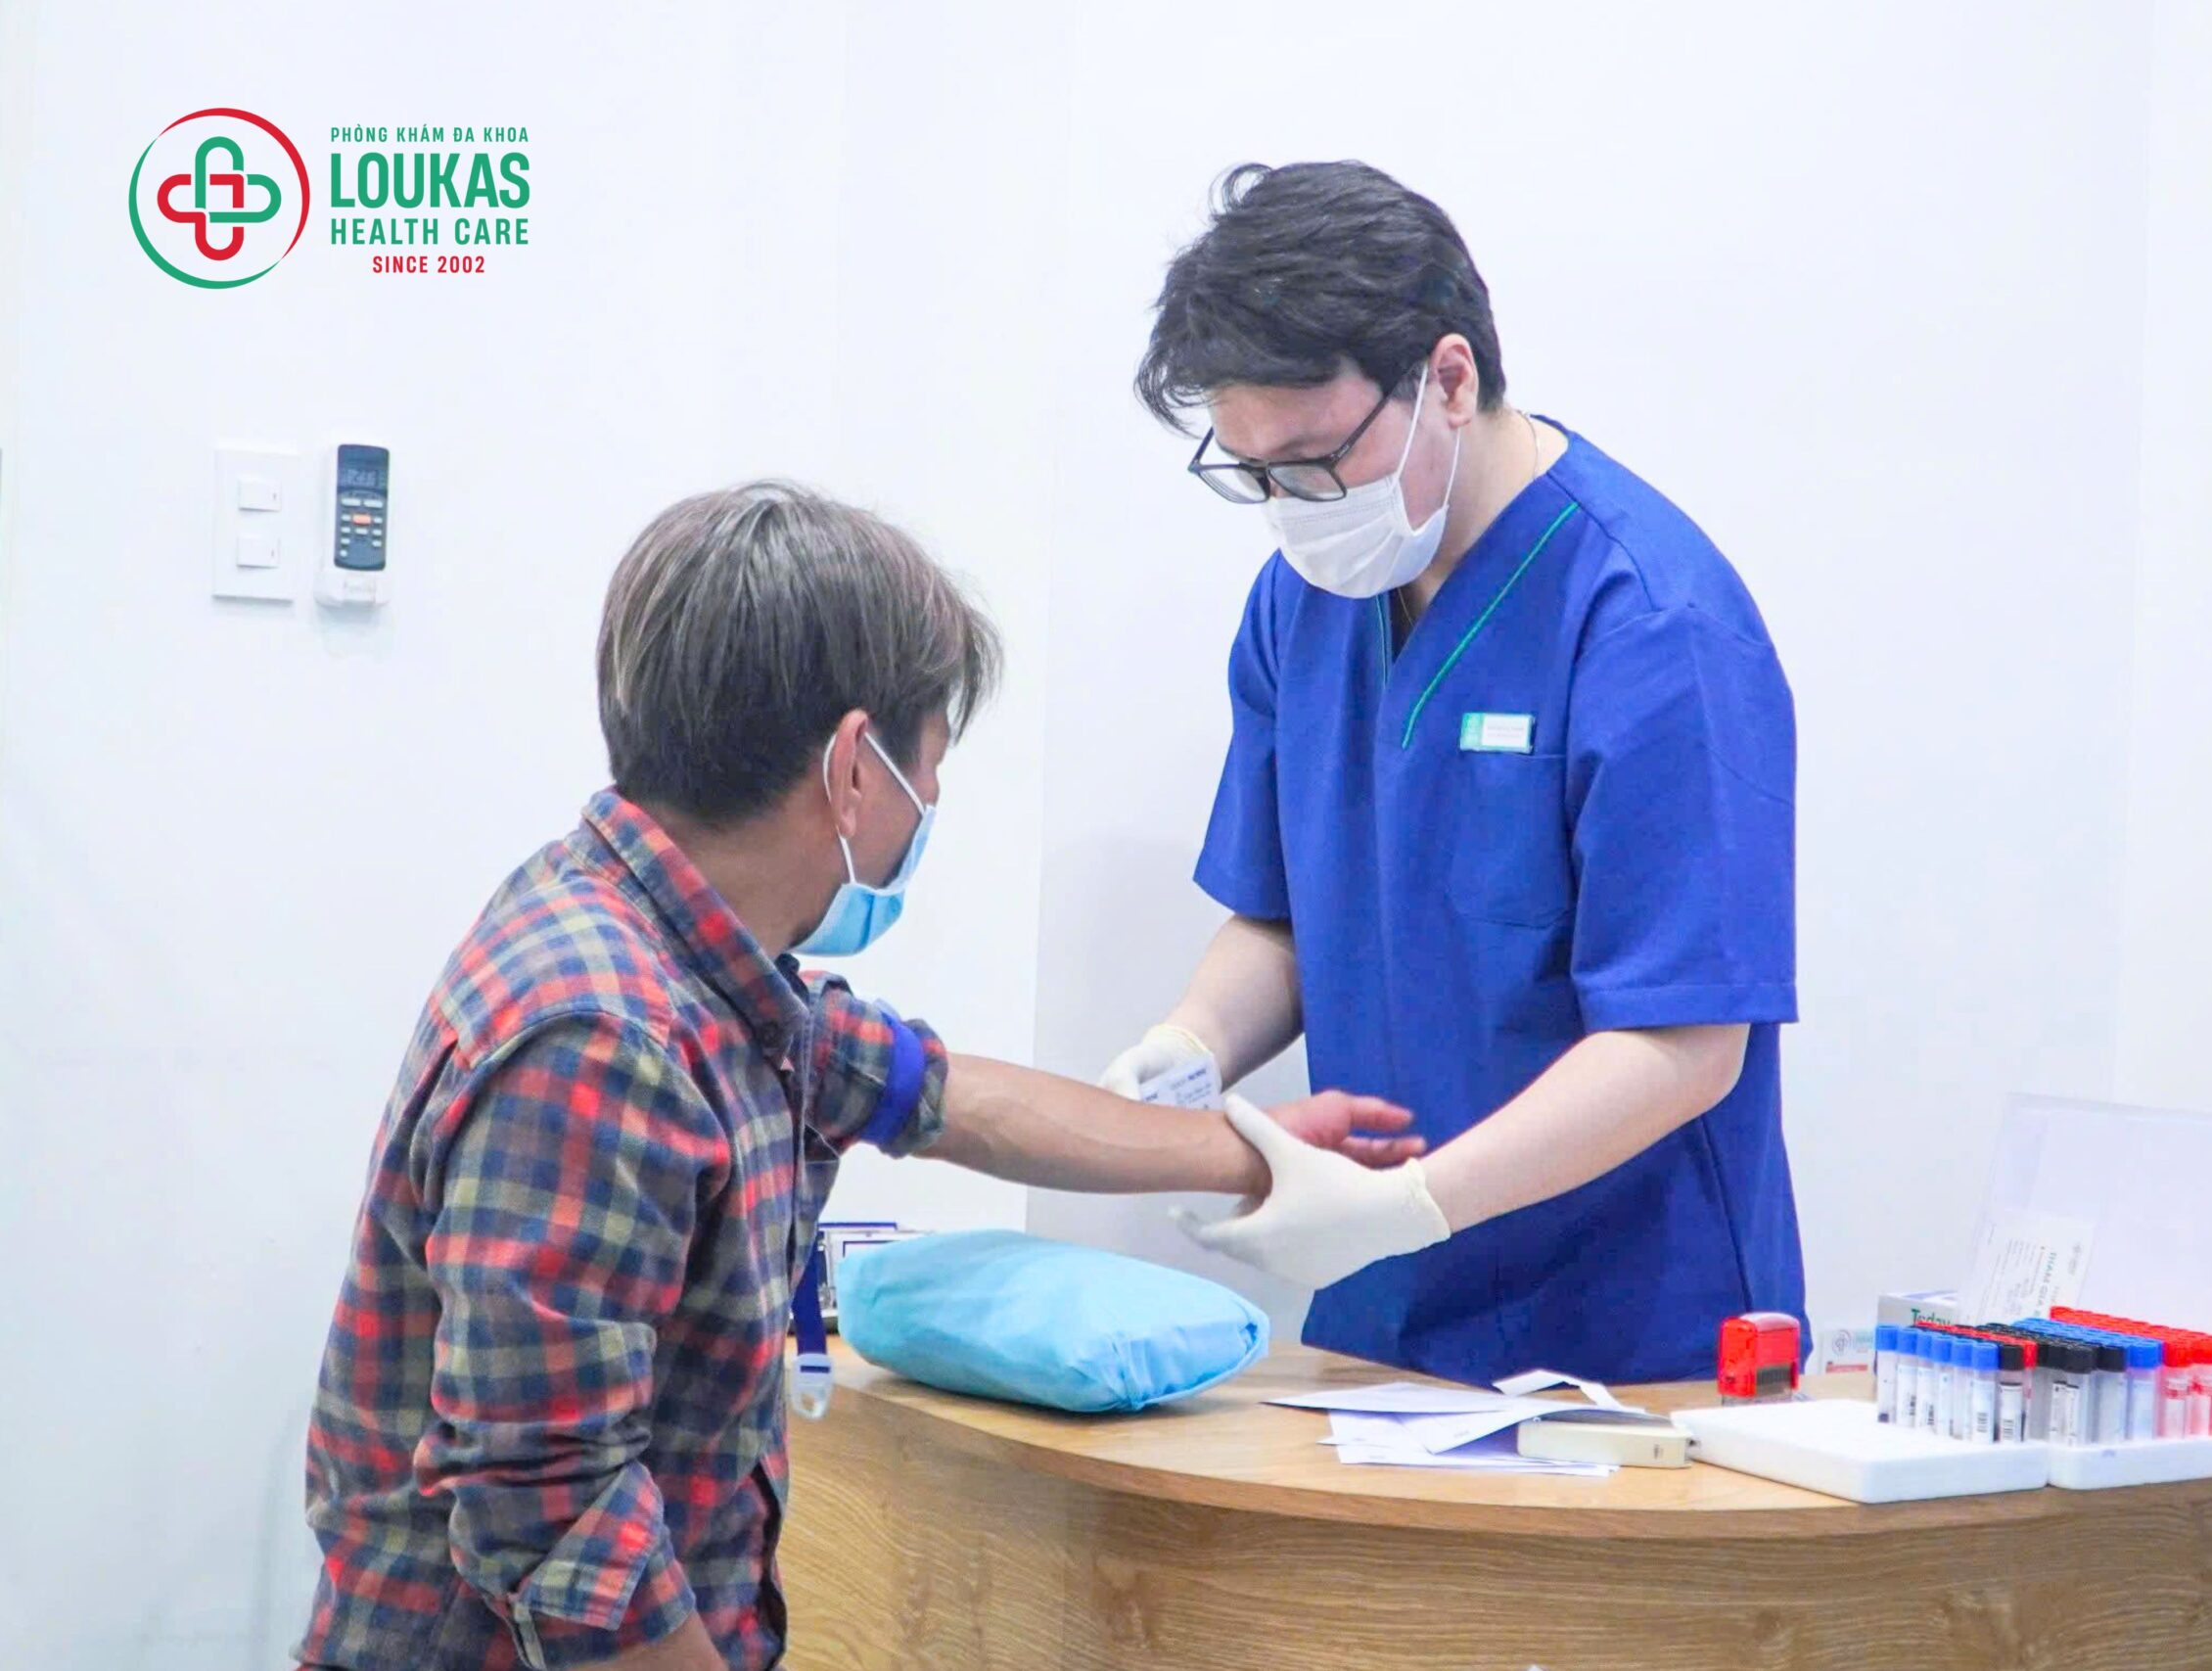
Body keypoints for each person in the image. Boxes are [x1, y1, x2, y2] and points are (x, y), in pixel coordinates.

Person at [295, 483, 1415, 1671]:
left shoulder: (688, 952)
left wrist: (1256, 1153)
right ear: (852, 771)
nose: (931, 804)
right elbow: (555, 1523)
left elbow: (941, 1096)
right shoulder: (602, 1038)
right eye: (930, 765)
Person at [1110, 161, 1807, 1386]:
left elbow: (1688, 1042)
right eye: (1254, 473)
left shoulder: (1652, 623)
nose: (1292, 507)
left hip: (1630, 1345)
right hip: (1384, 1326)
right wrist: (1186, 1049)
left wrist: (1415, 1203)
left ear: (1447, 378)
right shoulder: (1305, 601)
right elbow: (1285, 919)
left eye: (1314, 460)